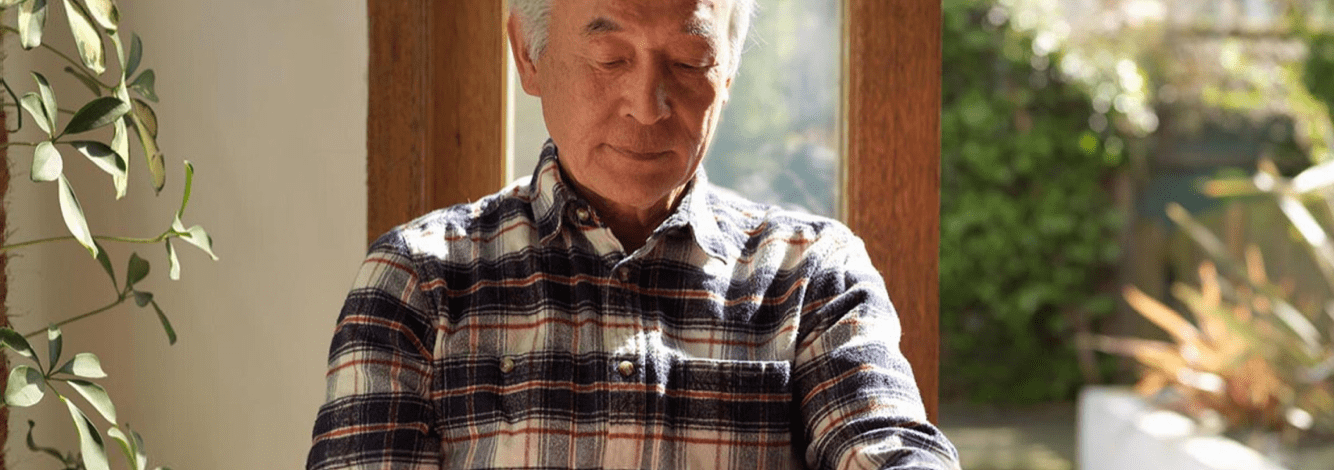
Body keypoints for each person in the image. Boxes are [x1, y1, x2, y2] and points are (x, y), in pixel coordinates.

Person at [306, 0, 960, 468]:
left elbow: (889, 449)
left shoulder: (812, 273)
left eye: (689, 59)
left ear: (728, 71)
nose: (647, 104)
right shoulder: (420, 278)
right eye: (609, 57)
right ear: (528, 56)